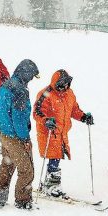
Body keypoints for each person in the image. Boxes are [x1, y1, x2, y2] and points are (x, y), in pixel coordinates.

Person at [33, 69, 94, 197]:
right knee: (54, 158)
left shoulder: (69, 94)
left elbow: (74, 110)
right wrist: (46, 120)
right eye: (62, 84)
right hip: (48, 132)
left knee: (56, 158)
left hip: (61, 133)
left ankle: (47, 184)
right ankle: (52, 186)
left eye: (67, 83)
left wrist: (83, 117)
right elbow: (37, 112)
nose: (65, 87)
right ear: (56, 83)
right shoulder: (46, 94)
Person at [0, 59, 39, 210]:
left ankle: (0, 196)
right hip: (15, 137)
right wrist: (25, 138)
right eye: (31, 75)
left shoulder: (6, 85)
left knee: (7, 165)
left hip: (4, 133)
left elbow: (0, 110)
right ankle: (23, 200)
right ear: (25, 73)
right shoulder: (20, 90)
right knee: (27, 170)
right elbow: (19, 118)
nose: (32, 79)